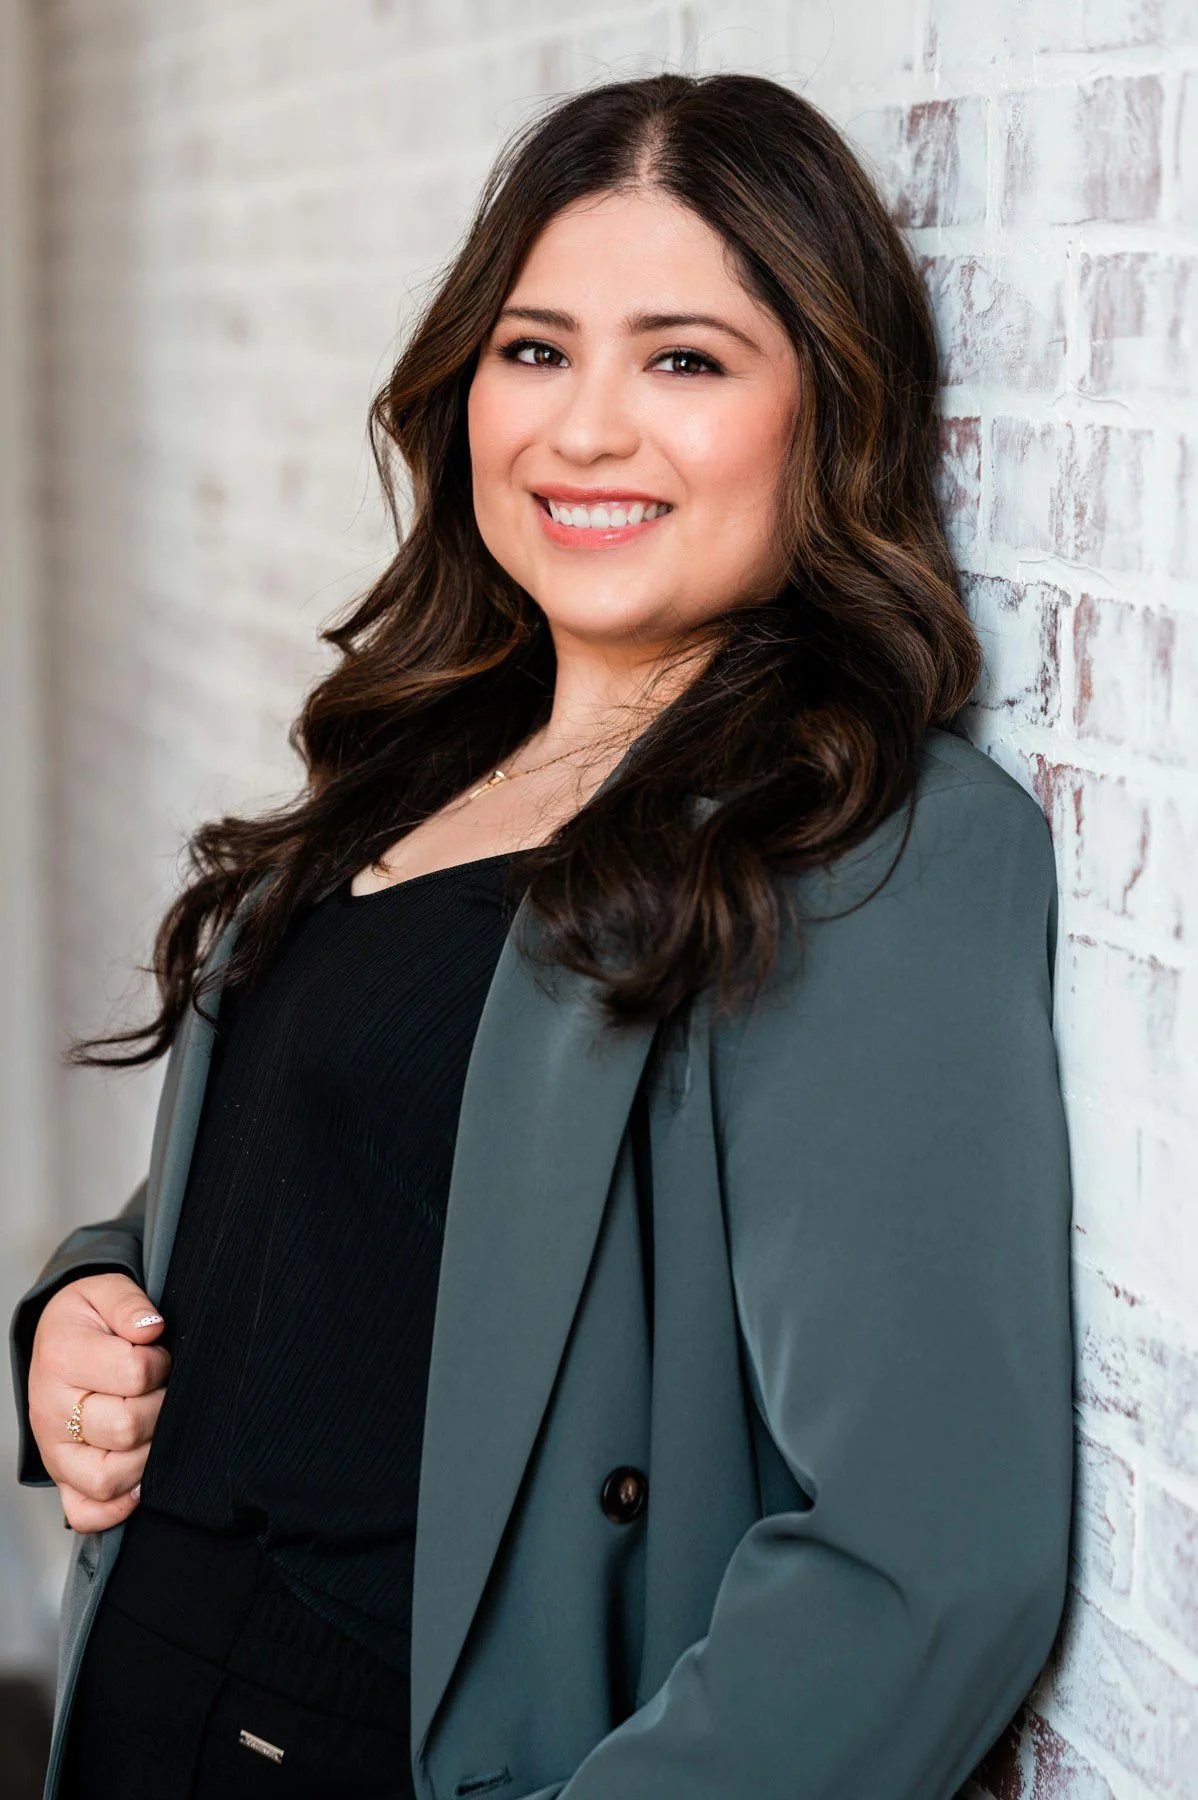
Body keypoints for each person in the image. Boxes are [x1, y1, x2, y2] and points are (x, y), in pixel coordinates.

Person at [10, 69, 1073, 1800]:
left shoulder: (856, 840)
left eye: (683, 361)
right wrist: (81, 1303)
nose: (582, 431)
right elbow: (332, 1192)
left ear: (828, 408)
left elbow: (925, 1564)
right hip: (138, 1698)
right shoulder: (417, 757)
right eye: (533, 349)